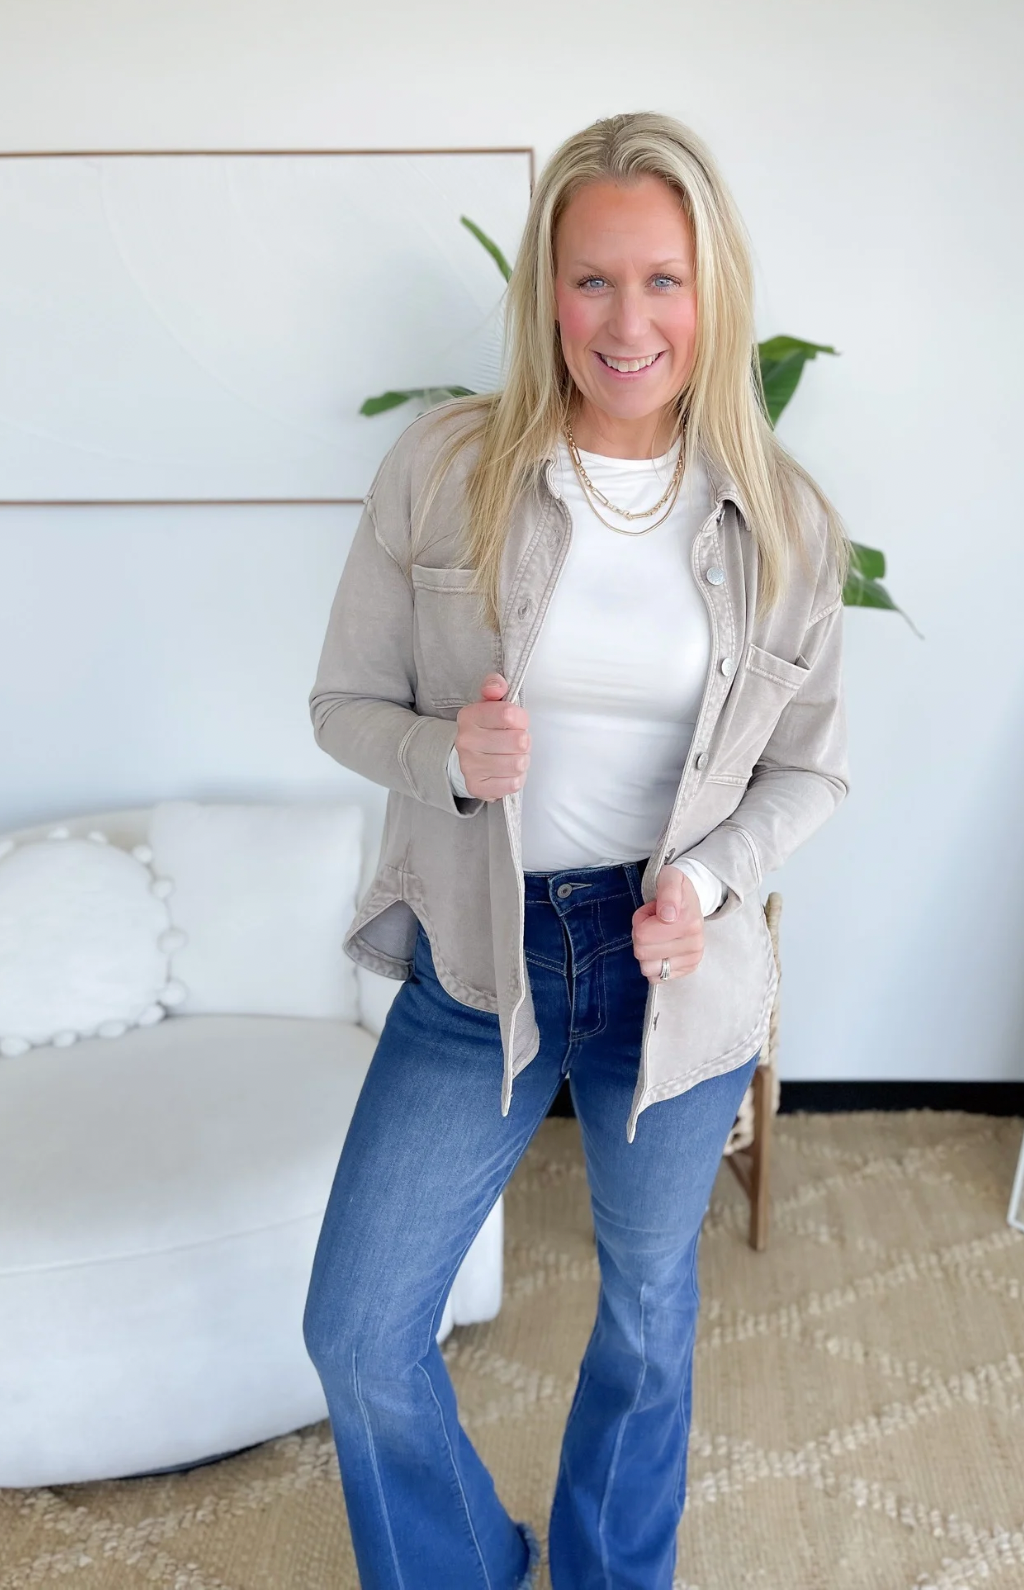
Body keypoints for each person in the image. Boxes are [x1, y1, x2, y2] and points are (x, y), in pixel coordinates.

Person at [302, 110, 850, 1590]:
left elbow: (810, 768)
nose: (627, 322)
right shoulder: (447, 471)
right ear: (547, 290)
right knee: (357, 1327)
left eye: (663, 280)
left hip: (672, 968)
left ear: (712, 290)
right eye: (593, 279)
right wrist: (447, 755)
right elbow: (342, 704)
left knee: (649, 1314)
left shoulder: (786, 521)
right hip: (479, 953)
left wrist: (707, 881)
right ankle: (470, 1565)